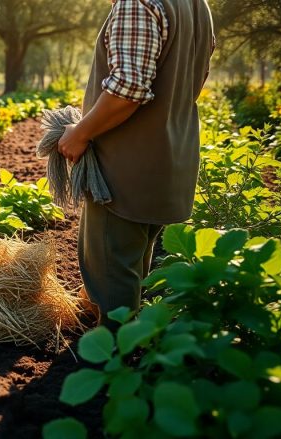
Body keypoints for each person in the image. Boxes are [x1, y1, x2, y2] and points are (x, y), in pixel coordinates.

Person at [57, 0, 216, 328]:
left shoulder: (137, 3)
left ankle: (113, 363)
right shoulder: (196, 5)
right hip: (168, 165)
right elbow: (197, 79)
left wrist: (80, 132)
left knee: (112, 276)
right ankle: (133, 350)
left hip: (123, 173)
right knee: (132, 267)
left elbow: (127, 90)